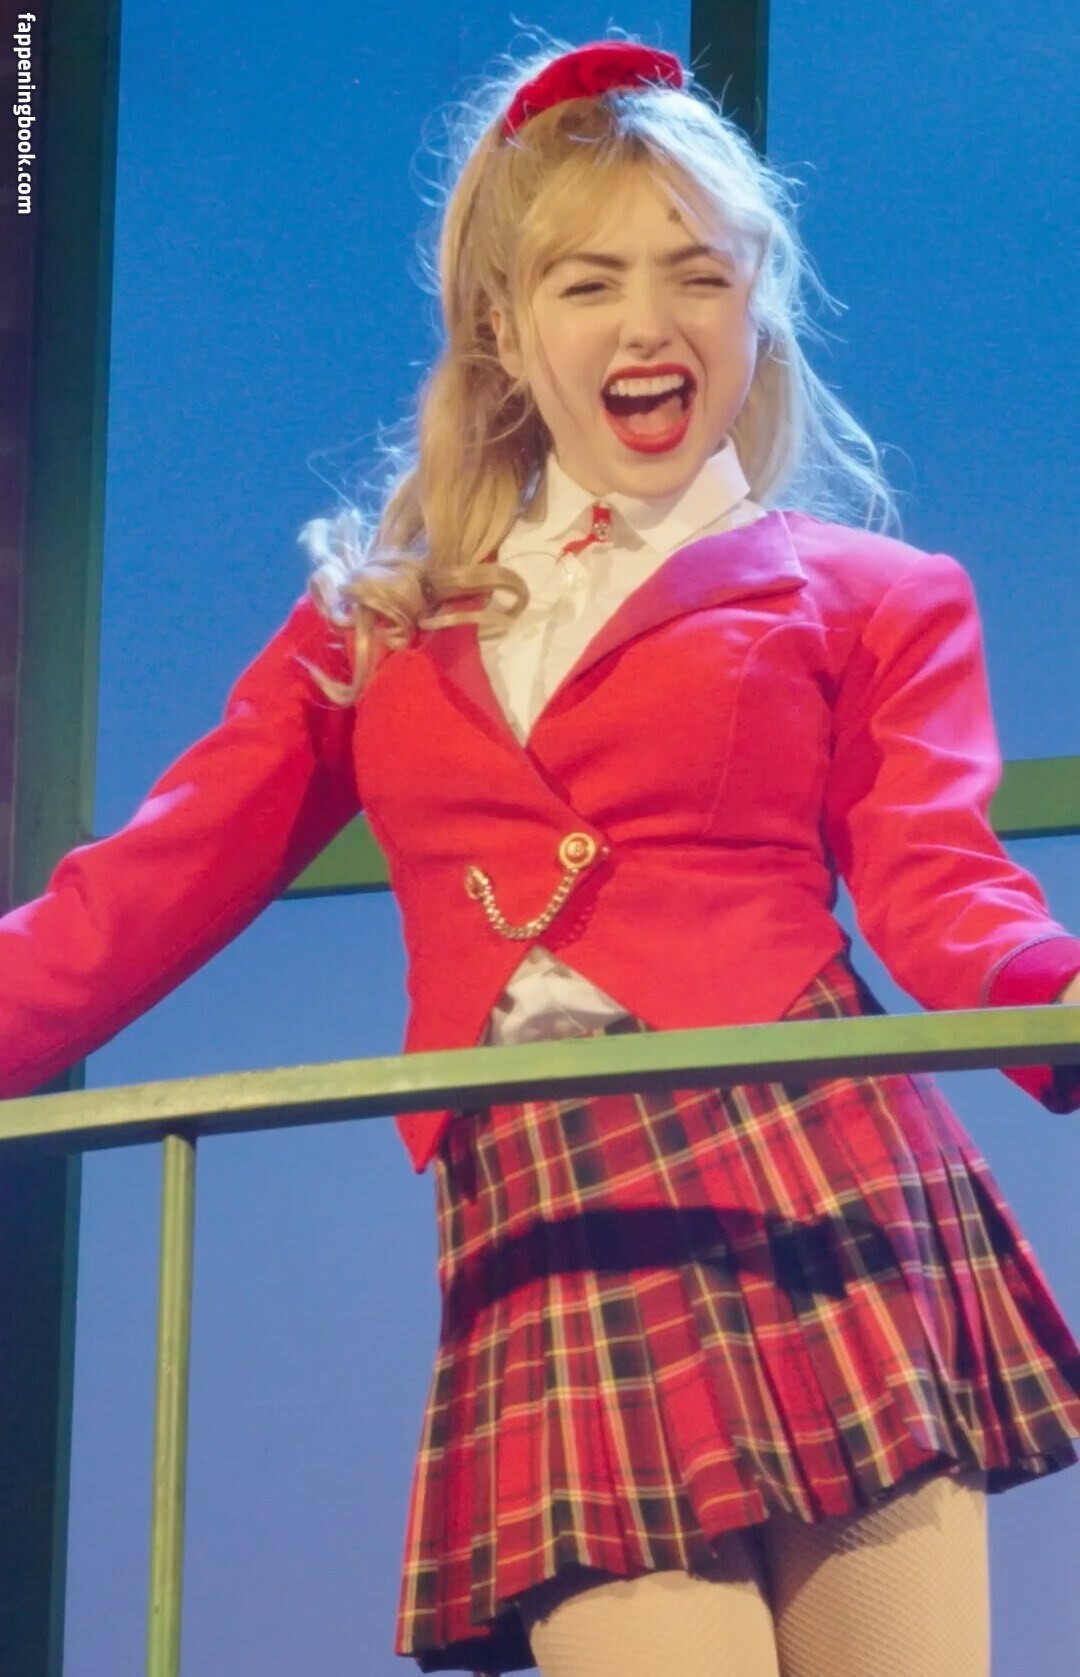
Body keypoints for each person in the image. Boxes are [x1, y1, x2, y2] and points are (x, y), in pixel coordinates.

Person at [1, 34, 1078, 1677]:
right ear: (505, 326)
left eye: (696, 275)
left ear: (757, 306)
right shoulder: (376, 622)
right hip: (556, 1212)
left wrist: (1055, 994)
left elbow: (942, 880)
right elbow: (145, 885)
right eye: (591, 281)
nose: (650, 324)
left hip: (818, 1163)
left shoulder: (870, 595)